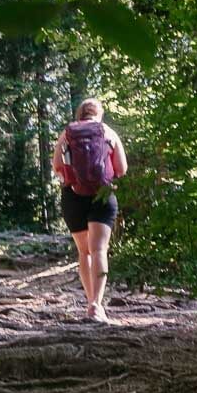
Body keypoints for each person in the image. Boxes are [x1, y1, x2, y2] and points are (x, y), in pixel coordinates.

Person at [52, 98, 128, 323]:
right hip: (102, 196)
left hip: (73, 196)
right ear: (100, 114)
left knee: (84, 252)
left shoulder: (67, 134)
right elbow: (122, 169)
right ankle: (97, 305)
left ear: (79, 115)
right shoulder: (108, 132)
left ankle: (89, 303)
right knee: (99, 251)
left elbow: (57, 166)